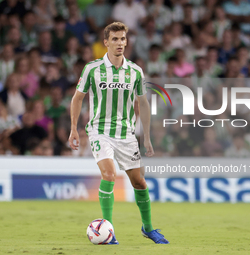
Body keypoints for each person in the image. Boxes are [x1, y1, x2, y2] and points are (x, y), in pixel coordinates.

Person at [68, 22, 169, 244]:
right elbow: (77, 98)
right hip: (99, 131)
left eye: (123, 39)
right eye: (115, 39)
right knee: (109, 175)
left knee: (139, 183)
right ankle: (108, 230)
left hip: (126, 133)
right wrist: (74, 128)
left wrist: (147, 137)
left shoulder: (135, 71)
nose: (120, 43)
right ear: (106, 42)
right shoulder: (92, 69)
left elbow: (142, 102)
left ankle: (148, 228)